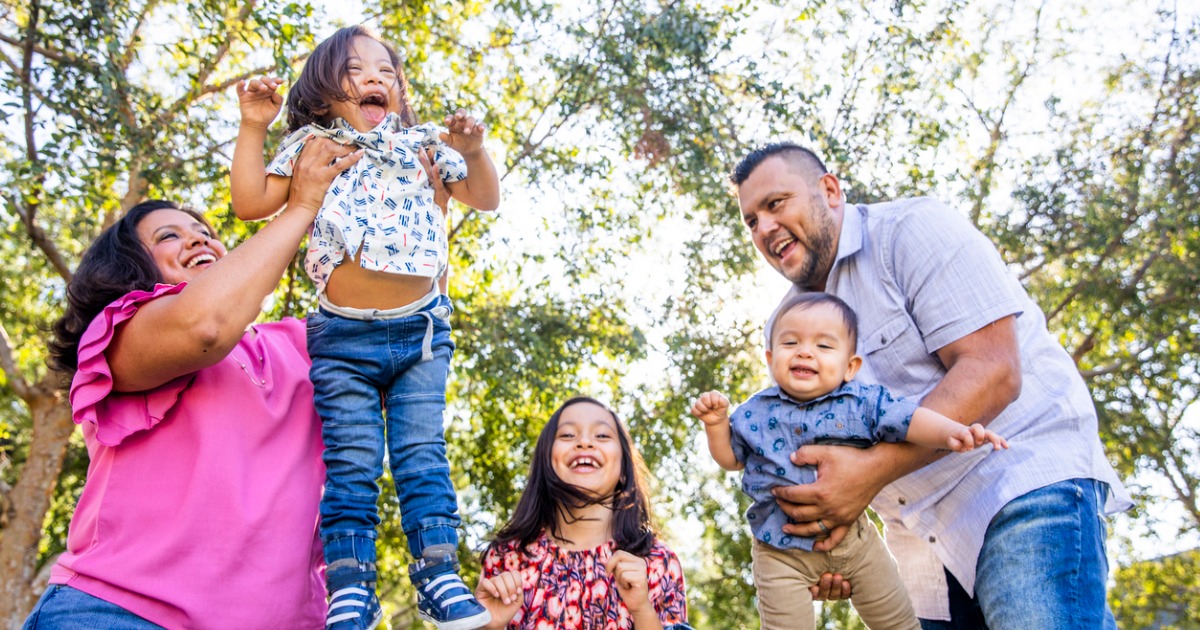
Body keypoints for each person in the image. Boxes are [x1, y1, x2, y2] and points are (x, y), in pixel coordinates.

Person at [731, 141, 1132, 628]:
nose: (764, 227)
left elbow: (994, 370)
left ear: (830, 191)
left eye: (775, 204)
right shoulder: (787, 325)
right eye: (751, 220)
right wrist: (820, 550)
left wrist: (869, 473)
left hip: (1015, 482)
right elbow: (814, 462)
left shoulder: (912, 231)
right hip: (917, 550)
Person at [230, 25, 501, 630]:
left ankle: (437, 573)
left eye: (387, 70)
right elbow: (249, 202)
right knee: (351, 465)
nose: (377, 77)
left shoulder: (425, 144)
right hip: (342, 338)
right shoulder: (311, 146)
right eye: (356, 70)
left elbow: (483, 199)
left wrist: (475, 151)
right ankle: (351, 586)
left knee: (422, 456)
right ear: (325, 91)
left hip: (421, 334)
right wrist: (253, 125)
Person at [25, 141, 360, 629]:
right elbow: (205, 325)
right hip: (121, 614)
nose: (200, 240)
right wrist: (302, 206)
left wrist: (423, 193)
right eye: (169, 235)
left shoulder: (297, 344)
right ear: (130, 266)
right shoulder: (119, 333)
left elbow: (401, 330)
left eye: (206, 233)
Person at [690, 292, 1007, 629]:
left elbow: (910, 419)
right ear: (770, 358)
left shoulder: (862, 403)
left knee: (900, 624)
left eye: (824, 346)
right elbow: (731, 459)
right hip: (780, 555)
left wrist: (952, 432)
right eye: (791, 342)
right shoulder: (754, 412)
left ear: (850, 367)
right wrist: (715, 425)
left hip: (856, 545)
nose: (805, 351)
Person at [473, 397, 692, 630]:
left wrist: (642, 610)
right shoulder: (507, 557)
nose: (585, 442)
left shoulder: (658, 560)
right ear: (545, 463)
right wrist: (486, 626)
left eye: (602, 436)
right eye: (567, 435)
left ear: (624, 471)